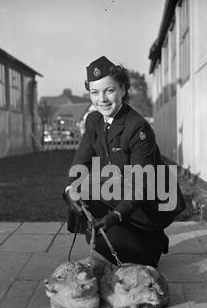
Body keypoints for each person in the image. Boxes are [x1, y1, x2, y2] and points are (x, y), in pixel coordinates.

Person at [64, 56, 185, 266]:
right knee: (82, 203)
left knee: (106, 235)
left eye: (109, 90)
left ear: (122, 89)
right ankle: (134, 241)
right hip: (122, 188)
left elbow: (141, 186)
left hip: (152, 199)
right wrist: (69, 192)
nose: (102, 99)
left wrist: (115, 216)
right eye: (95, 92)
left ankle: (152, 244)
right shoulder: (94, 120)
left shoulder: (138, 128)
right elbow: (80, 165)